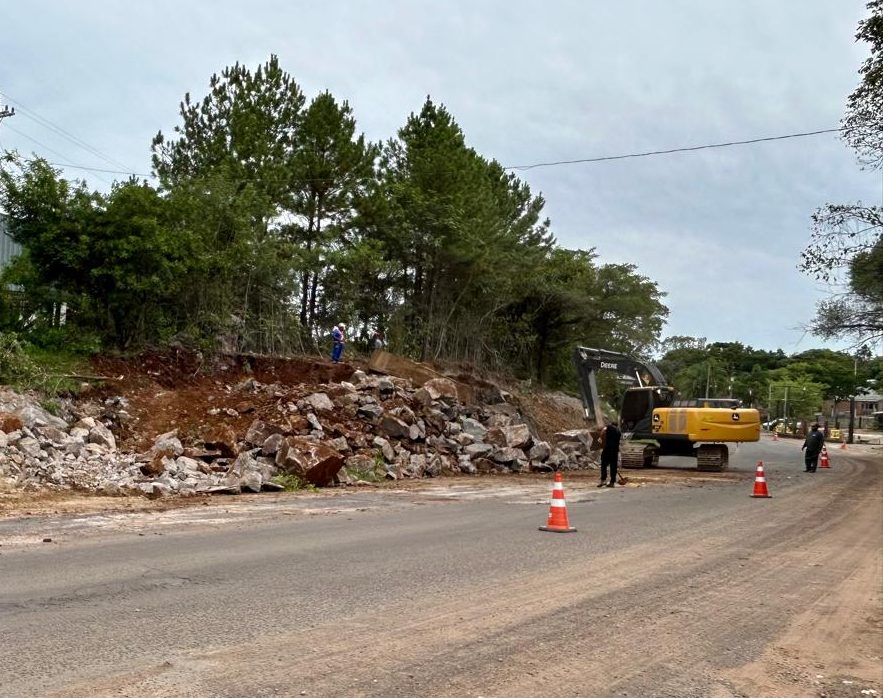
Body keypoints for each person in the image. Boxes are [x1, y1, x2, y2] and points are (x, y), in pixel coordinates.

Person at [598, 418, 622, 487]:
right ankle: (612, 482)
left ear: (612, 424)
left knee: (604, 464)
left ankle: (603, 480)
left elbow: (602, 433)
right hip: (615, 450)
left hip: (607, 449)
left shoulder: (608, 428)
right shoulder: (618, 431)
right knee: (613, 466)